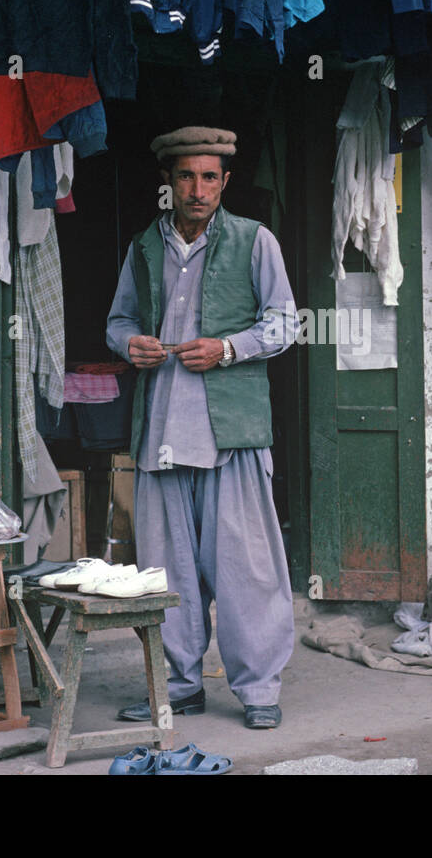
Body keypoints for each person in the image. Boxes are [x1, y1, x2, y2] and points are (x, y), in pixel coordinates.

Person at [106, 126, 297, 729]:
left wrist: (229, 349)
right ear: (169, 181)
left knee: (246, 570)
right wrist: (128, 344)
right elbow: (117, 322)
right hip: (161, 431)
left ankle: (260, 690)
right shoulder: (143, 247)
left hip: (230, 435)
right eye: (186, 176)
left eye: (209, 177)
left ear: (225, 182)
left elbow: (287, 323)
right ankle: (179, 685)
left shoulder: (254, 241)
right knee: (167, 573)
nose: (197, 189)